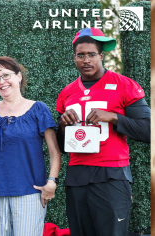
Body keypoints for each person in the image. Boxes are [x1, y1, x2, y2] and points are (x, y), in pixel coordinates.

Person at [56, 27, 150, 236]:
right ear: (74, 58)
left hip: (112, 174)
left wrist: (114, 117)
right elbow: (62, 146)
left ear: (101, 56)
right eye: (81, 55)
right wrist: (63, 125)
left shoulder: (124, 85)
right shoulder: (67, 93)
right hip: (77, 175)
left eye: (91, 54)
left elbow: (148, 130)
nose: (86, 60)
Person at [0, 56, 61, 236]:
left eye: (6, 75)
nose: (1, 81)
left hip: (29, 192)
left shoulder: (38, 109)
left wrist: (52, 182)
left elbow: (54, 151)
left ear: (19, 76)